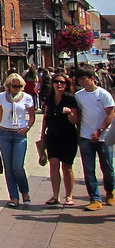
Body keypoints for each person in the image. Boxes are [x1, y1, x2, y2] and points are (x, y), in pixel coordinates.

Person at [73, 65, 115, 211]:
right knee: (89, 169)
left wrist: (100, 130)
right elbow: (78, 114)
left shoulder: (104, 95)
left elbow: (110, 114)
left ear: (92, 78)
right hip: (85, 136)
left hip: (104, 137)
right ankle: (95, 199)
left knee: (108, 168)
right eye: (80, 80)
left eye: (84, 79)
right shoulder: (79, 95)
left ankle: (110, 191)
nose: (82, 83)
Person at [0, 73, 36, 207]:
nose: (17, 89)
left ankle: (25, 192)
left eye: (20, 86)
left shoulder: (27, 98)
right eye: (15, 86)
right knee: (8, 168)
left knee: (18, 166)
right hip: (4, 133)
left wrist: (27, 128)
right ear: (8, 86)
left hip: (19, 134)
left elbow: (32, 116)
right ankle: (14, 197)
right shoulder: (1, 97)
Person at [41, 72, 79, 206]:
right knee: (54, 164)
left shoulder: (70, 99)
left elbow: (75, 120)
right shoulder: (50, 98)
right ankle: (55, 195)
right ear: (52, 84)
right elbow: (46, 118)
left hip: (68, 136)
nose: (59, 84)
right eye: (56, 82)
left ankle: (69, 196)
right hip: (52, 135)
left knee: (67, 166)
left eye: (62, 82)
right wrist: (42, 136)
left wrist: (69, 113)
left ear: (66, 84)